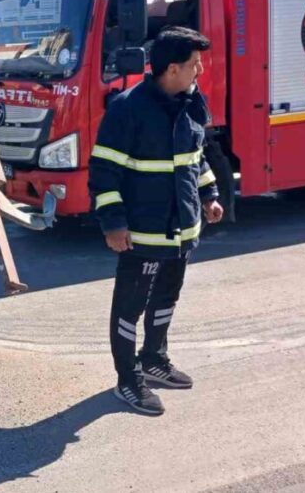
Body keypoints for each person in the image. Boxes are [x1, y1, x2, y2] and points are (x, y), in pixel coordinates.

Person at [88, 26, 225, 416]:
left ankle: (153, 360)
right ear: (171, 69)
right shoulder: (128, 109)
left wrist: (209, 195)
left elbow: (194, 159)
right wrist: (113, 224)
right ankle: (128, 378)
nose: (199, 71)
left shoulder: (191, 102)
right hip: (141, 234)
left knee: (166, 299)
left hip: (180, 231)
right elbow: (105, 171)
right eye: (194, 65)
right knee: (130, 308)